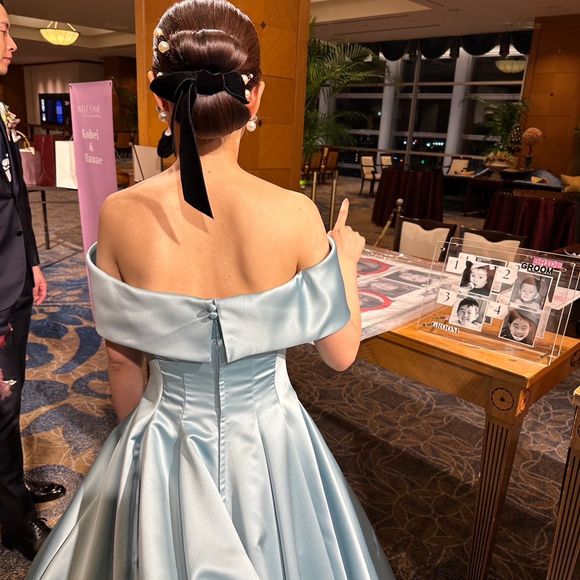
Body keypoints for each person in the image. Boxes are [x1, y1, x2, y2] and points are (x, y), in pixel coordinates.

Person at [26, 1, 393, 577]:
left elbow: (122, 361)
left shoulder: (120, 213)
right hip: (271, 442)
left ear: (160, 97)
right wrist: (344, 258)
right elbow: (340, 354)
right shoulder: (294, 213)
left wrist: (139, 459)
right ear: (256, 97)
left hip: (166, 431)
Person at [0, 0, 65, 562]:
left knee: (10, 402)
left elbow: (14, 197)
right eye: (3, 32)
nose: (13, 44)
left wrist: (36, 261)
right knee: (1, 407)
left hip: (14, 281)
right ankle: (14, 520)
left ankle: (12, 490)